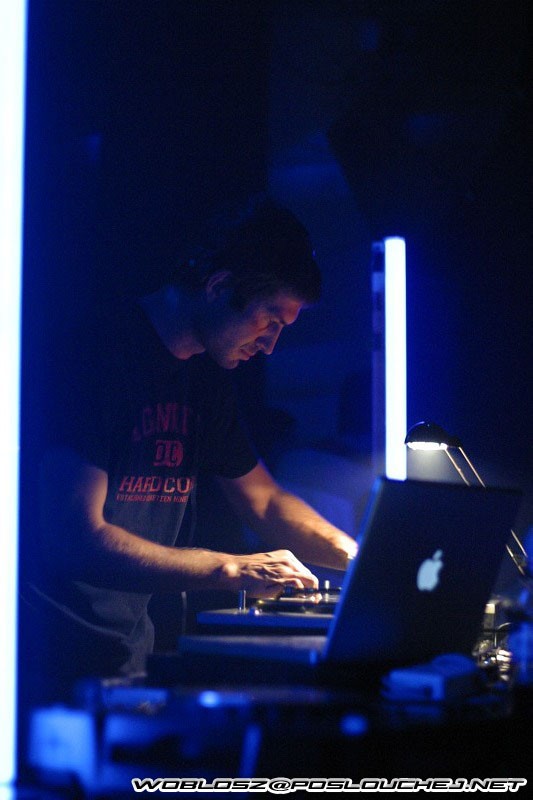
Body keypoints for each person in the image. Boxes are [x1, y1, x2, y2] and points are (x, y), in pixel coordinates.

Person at [21, 200, 356, 703]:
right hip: (44, 668)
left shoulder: (206, 375)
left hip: (127, 660)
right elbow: (76, 537)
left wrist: (358, 559)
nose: (270, 346)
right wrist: (232, 569)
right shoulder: (95, 357)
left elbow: (264, 500)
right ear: (218, 286)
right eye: (269, 320)